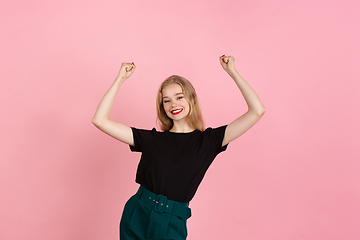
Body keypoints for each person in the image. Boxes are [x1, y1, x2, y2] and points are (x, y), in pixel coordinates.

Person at [92, 55, 266, 240]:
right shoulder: (151, 139)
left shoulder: (209, 141)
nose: (173, 104)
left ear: (191, 99)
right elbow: (100, 120)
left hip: (173, 220)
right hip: (138, 212)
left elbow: (257, 110)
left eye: (179, 97)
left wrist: (232, 72)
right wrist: (120, 79)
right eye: (166, 100)